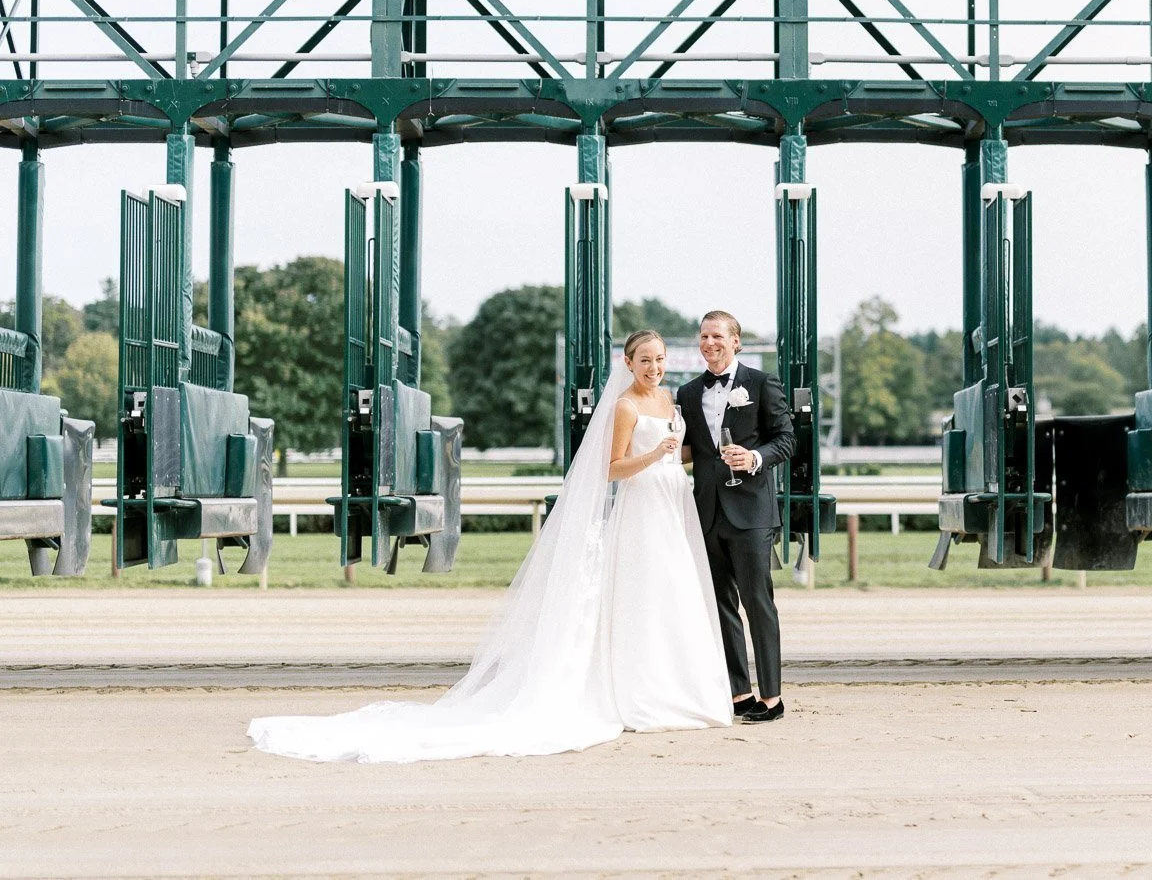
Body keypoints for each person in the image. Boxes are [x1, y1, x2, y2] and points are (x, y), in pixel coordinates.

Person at [245, 330, 731, 763]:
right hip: (641, 506)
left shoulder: (670, 401)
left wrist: (701, 452)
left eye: (660, 359)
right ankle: (641, 691)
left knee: (673, 593)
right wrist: (653, 455)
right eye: (645, 360)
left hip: (672, 504)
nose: (654, 367)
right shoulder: (625, 406)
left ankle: (678, 688)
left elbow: (683, 449)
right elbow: (611, 468)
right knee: (639, 596)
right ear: (628, 364)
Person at [675, 311, 796, 723]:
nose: (710, 343)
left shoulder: (762, 384)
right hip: (707, 510)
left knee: (758, 602)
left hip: (752, 512)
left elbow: (787, 439)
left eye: (718, 336)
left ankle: (772, 698)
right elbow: (690, 449)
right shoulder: (689, 392)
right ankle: (739, 692)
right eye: (704, 336)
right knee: (721, 604)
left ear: (736, 342)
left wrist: (756, 457)